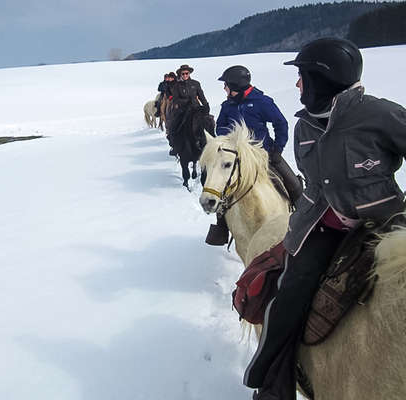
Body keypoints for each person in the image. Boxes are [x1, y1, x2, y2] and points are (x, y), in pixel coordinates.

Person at [245, 37, 406, 400]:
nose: (298, 84)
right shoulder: (304, 129)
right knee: (289, 292)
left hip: (383, 218)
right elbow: (316, 187)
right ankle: (271, 382)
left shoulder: (379, 114)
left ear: (324, 78)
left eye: (303, 76)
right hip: (323, 226)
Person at [205, 65, 303, 245]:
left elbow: (281, 124)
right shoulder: (228, 105)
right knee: (223, 191)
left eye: (226, 85)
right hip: (237, 158)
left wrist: (277, 149)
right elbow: (220, 127)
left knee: (295, 185)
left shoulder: (262, 102)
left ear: (235, 85)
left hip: (264, 155)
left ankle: (303, 219)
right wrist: (231, 139)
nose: (224, 88)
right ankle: (222, 227)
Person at [168, 64, 210, 156]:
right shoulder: (177, 86)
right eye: (183, 74)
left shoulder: (196, 83)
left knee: (209, 123)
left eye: (186, 73)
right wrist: (184, 102)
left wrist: (206, 105)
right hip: (183, 110)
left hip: (196, 108)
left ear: (189, 73)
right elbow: (175, 99)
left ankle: (211, 142)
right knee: (173, 125)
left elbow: (201, 95)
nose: (185, 75)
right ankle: (175, 145)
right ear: (180, 75)